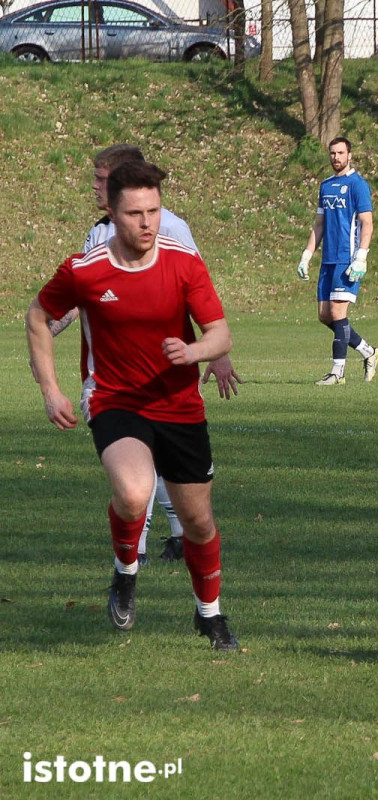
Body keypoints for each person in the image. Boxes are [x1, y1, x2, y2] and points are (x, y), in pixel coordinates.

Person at [27, 160, 240, 651]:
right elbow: (38, 316)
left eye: (153, 211)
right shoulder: (85, 270)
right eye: (134, 214)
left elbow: (220, 333)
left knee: (198, 522)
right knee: (134, 490)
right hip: (115, 399)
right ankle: (125, 572)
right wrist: (51, 390)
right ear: (112, 212)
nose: (147, 223)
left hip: (179, 406)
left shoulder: (184, 263)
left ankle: (209, 614)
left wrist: (194, 351)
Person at [296, 136, 378, 386]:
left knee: (337, 312)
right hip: (328, 260)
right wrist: (306, 255)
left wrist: (361, 257)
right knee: (325, 316)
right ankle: (369, 352)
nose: (336, 157)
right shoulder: (325, 186)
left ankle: (337, 373)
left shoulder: (358, 185)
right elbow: (319, 224)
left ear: (349, 155)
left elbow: (367, 223)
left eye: (341, 153)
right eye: (333, 153)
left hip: (348, 260)